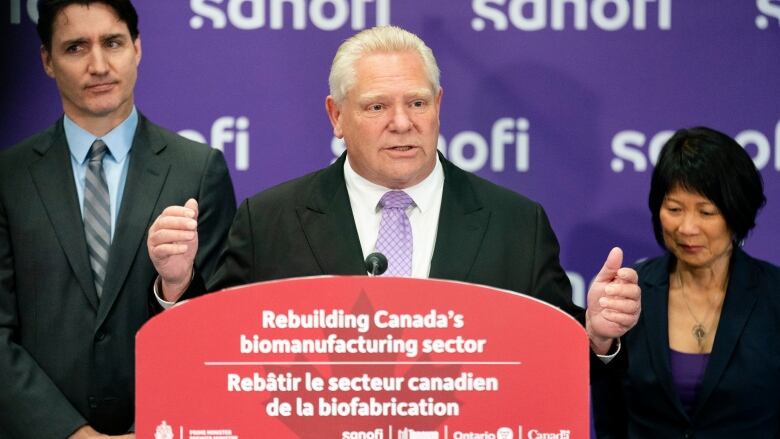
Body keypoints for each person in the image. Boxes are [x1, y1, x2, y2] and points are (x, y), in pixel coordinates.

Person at [148, 25, 640, 358]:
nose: (402, 123)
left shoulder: (517, 224)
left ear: (439, 105)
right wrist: (176, 285)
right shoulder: (270, 220)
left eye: (417, 102)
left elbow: (553, 360)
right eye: (377, 106)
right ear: (336, 116)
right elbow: (215, 353)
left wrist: (595, 335)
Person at [0, 1, 236, 437]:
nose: (99, 64)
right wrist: (70, 433)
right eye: (75, 48)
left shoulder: (198, 170)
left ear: (138, 48)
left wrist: (175, 287)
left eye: (113, 42)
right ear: (47, 62)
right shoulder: (8, 178)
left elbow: (218, 324)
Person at [592, 127, 780, 438]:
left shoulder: (773, 296)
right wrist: (600, 342)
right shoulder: (630, 296)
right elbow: (609, 417)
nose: (687, 227)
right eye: (674, 209)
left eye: (706, 211)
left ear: (736, 212)